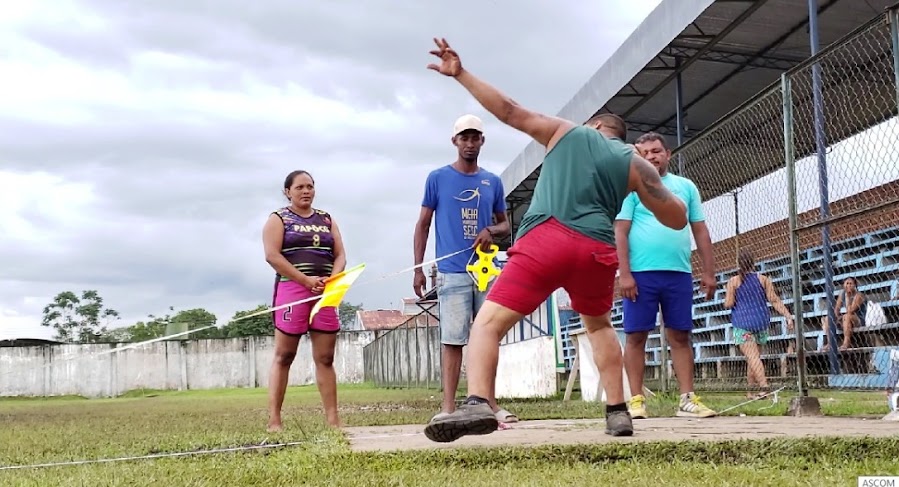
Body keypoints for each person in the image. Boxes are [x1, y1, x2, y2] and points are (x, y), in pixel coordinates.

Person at [420, 38, 689, 442]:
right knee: (598, 327)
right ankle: (617, 412)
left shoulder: (568, 132)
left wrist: (460, 73)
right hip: (596, 252)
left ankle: (477, 401)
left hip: (547, 240)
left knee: (488, 325)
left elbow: (509, 110)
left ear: (596, 127)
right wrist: (638, 174)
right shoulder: (633, 164)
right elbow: (675, 217)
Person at [412, 113, 518, 426]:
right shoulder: (437, 178)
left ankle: (491, 404)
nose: (470, 144)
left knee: (487, 336)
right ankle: (447, 408)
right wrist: (419, 269)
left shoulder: (492, 181)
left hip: (485, 270)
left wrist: (492, 232)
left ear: (482, 141)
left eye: (475, 138)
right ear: (455, 141)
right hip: (452, 270)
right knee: (452, 339)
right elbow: (423, 223)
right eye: (464, 138)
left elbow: (505, 223)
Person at [615, 131, 717, 420]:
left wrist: (709, 272)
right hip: (640, 275)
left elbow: (700, 229)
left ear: (668, 154)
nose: (651, 157)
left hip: (678, 273)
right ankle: (636, 400)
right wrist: (625, 274)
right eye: (645, 153)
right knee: (636, 336)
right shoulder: (633, 187)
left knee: (681, 335)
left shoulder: (685, 187)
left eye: (656, 151)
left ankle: (687, 399)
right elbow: (620, 231)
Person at [262, 170, 347, 431]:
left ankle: (333, 420)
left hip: (325, 292)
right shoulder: (279, 219)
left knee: (325, 358)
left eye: (310, 186)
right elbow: (272, 256)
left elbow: (341, 254)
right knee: (284, 355)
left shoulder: (326, 219)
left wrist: (331, 281)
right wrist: (305, 280)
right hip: (292, 290)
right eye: (299, 187)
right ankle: (275, 419)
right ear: (288, 191)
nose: (306, 191)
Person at [723, 250, 794, 399]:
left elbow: (728, 303)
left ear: (739, 264)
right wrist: (788, 316)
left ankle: (764, 387)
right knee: (753, 358)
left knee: (753, 358)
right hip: (760, 322)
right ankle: (750, 392)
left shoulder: (733, 281)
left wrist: (728, 292)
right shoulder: (763, 279)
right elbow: (774, 300)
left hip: (743, 323)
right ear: (753, 263)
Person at [821, 276, 868, 351]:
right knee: (828, 318)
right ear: (843, 285)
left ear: (855, 285)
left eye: (850, 283)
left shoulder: (859, 295)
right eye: (847, 283)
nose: (848, 285)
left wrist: (848, 298)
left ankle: (846, 343)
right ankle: (830, 343)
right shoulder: (842, 293)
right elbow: (837, 309)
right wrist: (835, 318)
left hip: (858, 319)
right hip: (846, 319)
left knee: (847, 316)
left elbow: (850, 311)